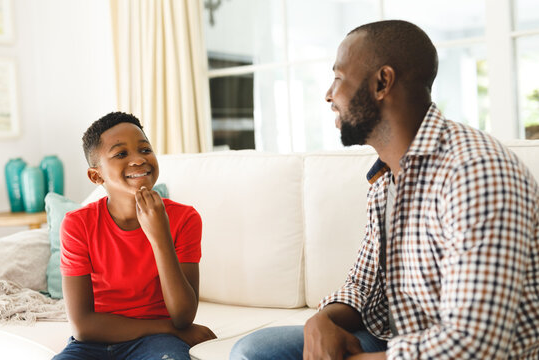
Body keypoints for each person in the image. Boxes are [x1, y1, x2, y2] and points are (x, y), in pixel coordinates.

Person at [230, 19, 539, 360]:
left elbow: (476, 345)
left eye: (338, 77)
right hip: (401, 341)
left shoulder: (476, 175)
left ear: (382, 82)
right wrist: (321, 320)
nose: (329, 95)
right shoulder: (385, 179)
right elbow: (362, 284)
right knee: (253, 351)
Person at [53, 112, 216, 360]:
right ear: (96, 176)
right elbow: (83, 326)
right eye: (121, 154)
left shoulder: (184, 219)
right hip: (94, 343)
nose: (139, 159)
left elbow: (183, 317)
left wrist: (160, 237)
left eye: (145, 149)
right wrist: (168, 328)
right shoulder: (77, 225)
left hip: (158, 344)